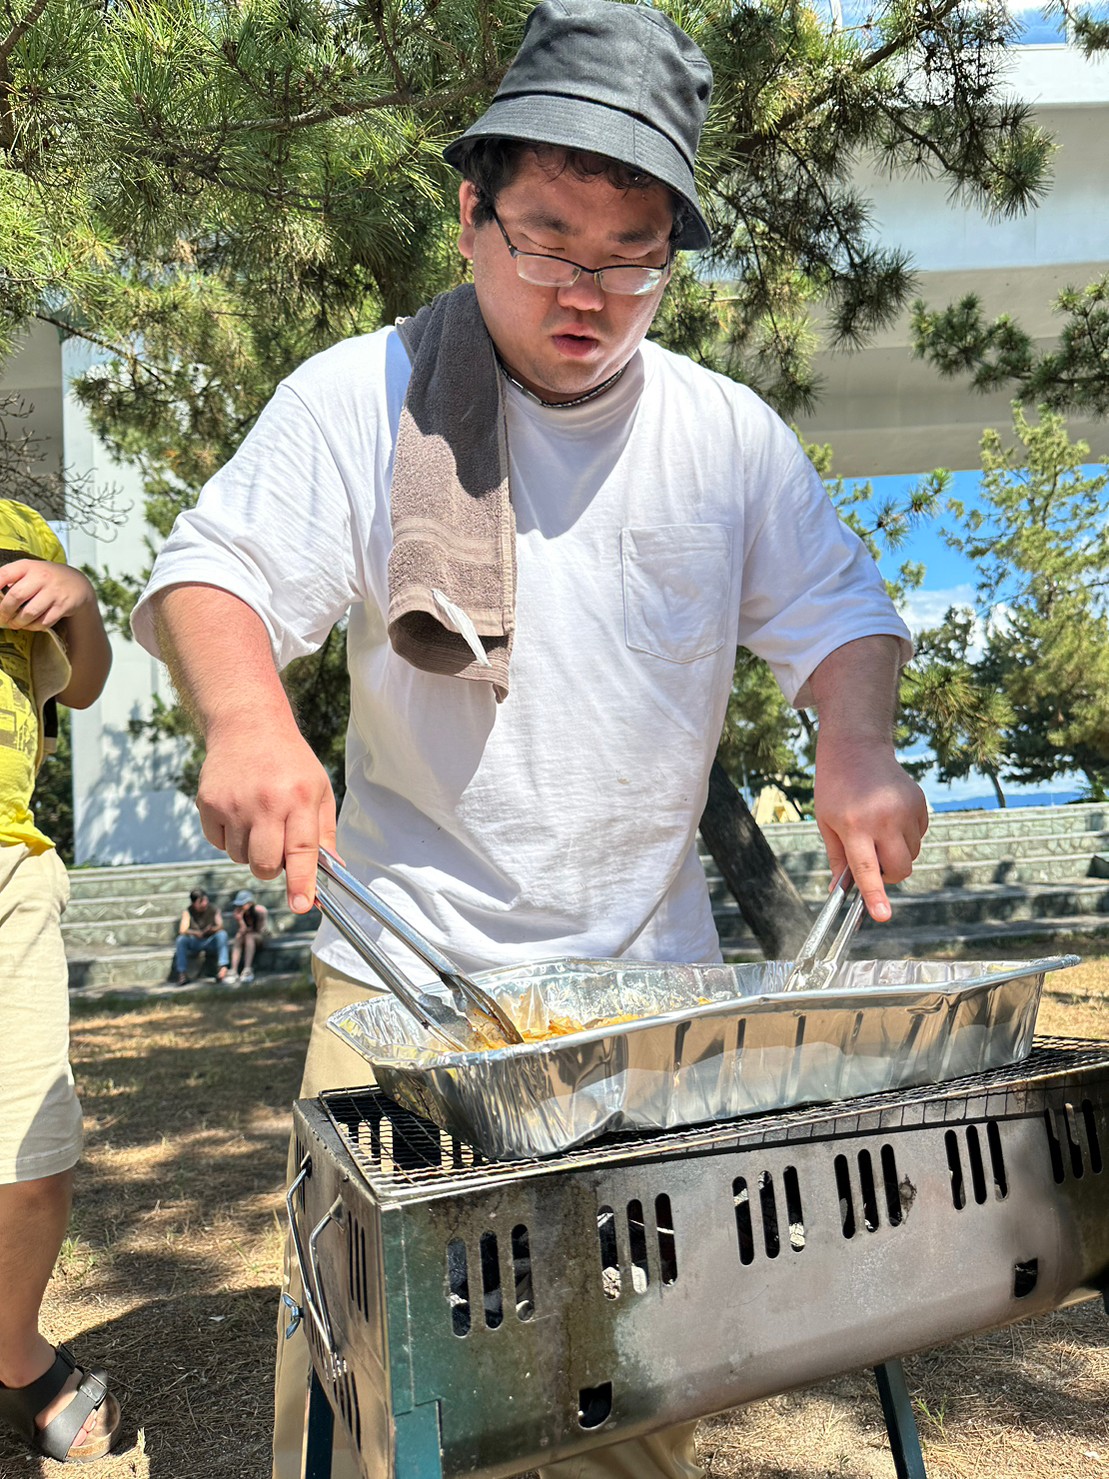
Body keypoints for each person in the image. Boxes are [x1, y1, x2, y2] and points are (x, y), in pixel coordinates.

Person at [131, 3, 929, 1475]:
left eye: (633, 256)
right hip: (405, 985)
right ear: (469, 215)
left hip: (645, 999)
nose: (589, 293)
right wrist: (247, 720)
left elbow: (843, 615)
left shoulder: (724, 436)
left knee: (625, 1398)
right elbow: (211, 573)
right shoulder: (364, 394)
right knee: (373, 1403)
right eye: (548, 242)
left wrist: (859, 743)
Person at [0, 499, 120, 1464]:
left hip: (10, 870)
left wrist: (78, 600)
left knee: (35, 1151)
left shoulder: (19, 530)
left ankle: (13, 1353)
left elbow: (81, 686)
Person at [173, 887, 230, 985]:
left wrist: (212, 929)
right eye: (201, 901)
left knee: (222, 934)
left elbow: (220, 926)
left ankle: (223, 968)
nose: (204, 903)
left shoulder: (214, 909)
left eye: (205, 900)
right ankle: (182, 974)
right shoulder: (188, 911)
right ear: (193, 903)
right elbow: (182, 930)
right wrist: (195, 933)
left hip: (210, 941)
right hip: (195, 941)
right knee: (181, 940)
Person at [229, 887, 268, 984]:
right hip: (245, 936)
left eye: (242, 904)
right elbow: (242, 930)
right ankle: (233, 971)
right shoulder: (238, 913)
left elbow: (261, 930)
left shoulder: (260, 911)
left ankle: (247, 969)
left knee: (249, 936)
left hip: (259, 937)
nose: (240, 907)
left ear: (250, 903)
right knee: (238, 936)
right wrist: (240, 920)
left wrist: (248, 930)